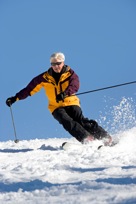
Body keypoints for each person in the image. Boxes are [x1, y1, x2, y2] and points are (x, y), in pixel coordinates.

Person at [6, 52, 112, 146]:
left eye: (58, 63)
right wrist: (15, 98)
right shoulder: (44, 78)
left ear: (63, 62)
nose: (56, 66)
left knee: (81, 121)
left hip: (71, 102)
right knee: (66, 121)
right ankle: (87, 138)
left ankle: (105, 137)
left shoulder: (70, 74)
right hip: (55, 106)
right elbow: (29, 89)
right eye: (53, 64)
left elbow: (75, 86)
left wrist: (65, 93)